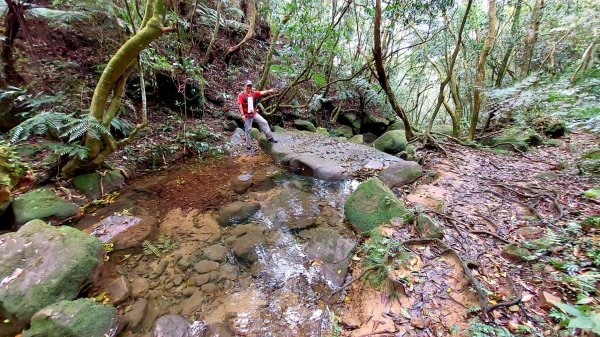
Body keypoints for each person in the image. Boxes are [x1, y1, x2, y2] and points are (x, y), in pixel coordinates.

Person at [237, 80, 278, 151]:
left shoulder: (254, 93)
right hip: (247, 115)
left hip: (254, 113)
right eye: (248, 85)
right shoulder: (241, 95)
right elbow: (240, 104)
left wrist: (269, 91)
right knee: (248, 130)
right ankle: (248, 146)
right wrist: (242, 115)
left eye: (250, 86)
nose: (249, 87)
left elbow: (261, 92)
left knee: (264, 122)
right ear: (245, 86)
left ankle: (270, 138)